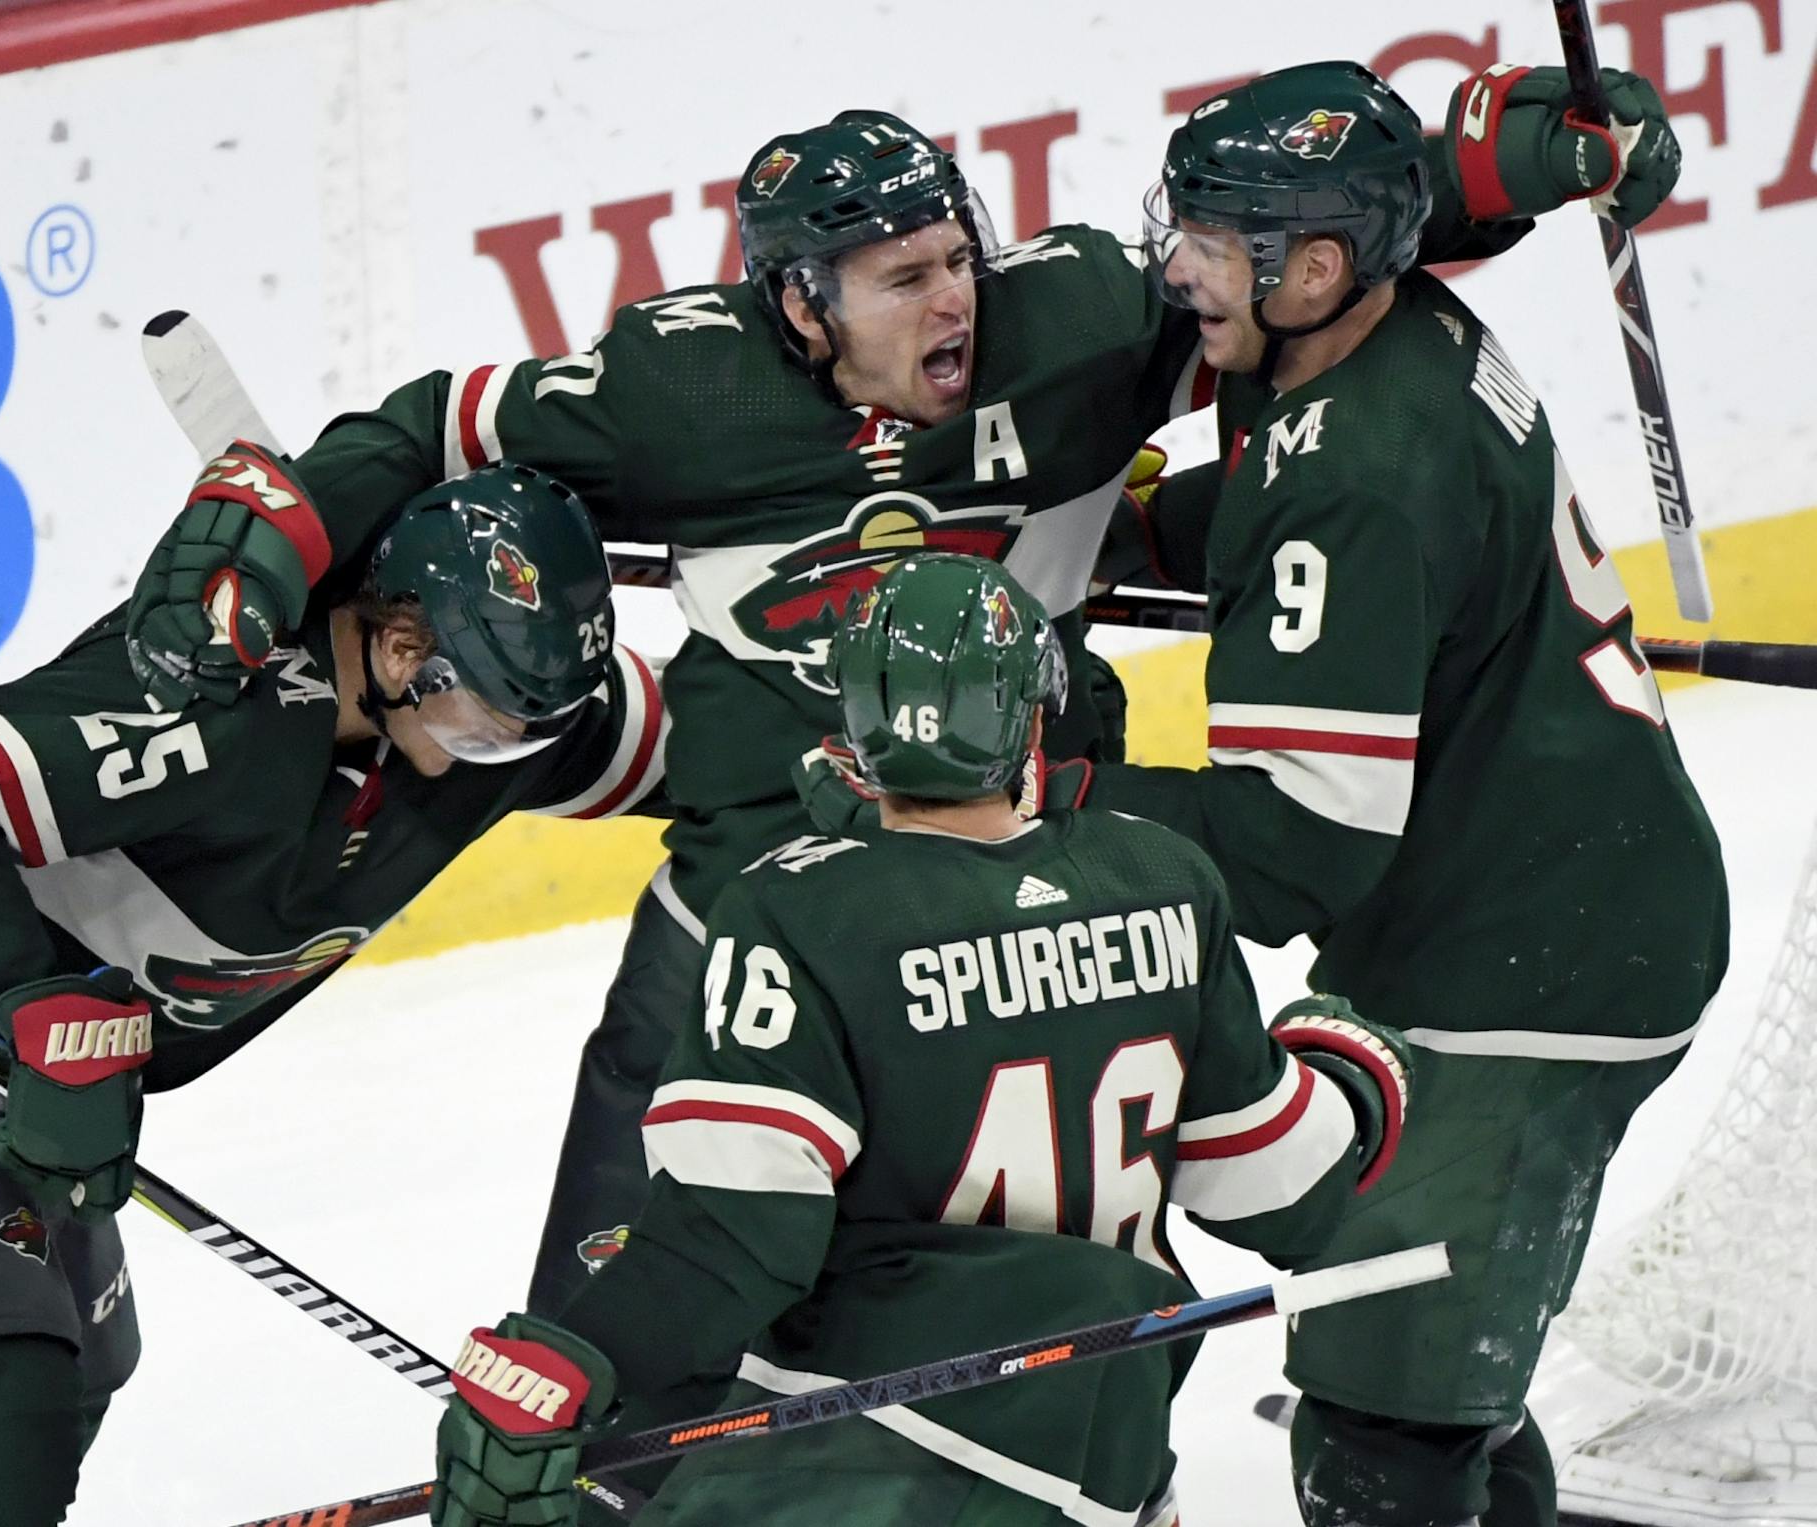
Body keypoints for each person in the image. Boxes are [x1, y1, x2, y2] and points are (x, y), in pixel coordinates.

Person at [117, 67, 1684, 1334]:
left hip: (1034, 913)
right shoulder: (681, 388)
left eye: (957, 258)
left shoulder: (1074, 321)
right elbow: (425, 428)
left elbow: (1302, 260)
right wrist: (287, 515)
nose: (953, 304)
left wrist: (1497, 163)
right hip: (765, 912)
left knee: (1029, 1360)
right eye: (901, 278)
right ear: (801, 304)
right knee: (623, 1343)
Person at [0, 461, 667, 1527]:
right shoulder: (211, 704)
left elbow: (709, 739)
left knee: (74, 1376)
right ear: (401, 651)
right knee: (1, 1389)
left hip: (39, 1089)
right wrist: (29, 1000)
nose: (499, 758)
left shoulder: (476, 708)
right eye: (492, 726)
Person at [424, 552, 1417, 1527]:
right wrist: (1352, 1079)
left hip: (856, 1446)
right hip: (1100, 1460)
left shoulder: (799, 903)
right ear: (1033, 710)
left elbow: (736, 1235)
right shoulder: (1160, 873)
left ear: (852, 714)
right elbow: (1276, 1190)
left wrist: (573, 1359)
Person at [1091, 62, 1728, 1527]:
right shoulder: (1364, 317)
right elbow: (1433, 166)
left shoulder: (1359, 475)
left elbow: (1287, 855)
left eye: (1212, 244)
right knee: (1432, 1387)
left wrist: (1060, 788)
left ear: (1315, 269)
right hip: (1540, 906)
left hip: (1539, 976)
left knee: (1388, 1423)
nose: (1178, 271)